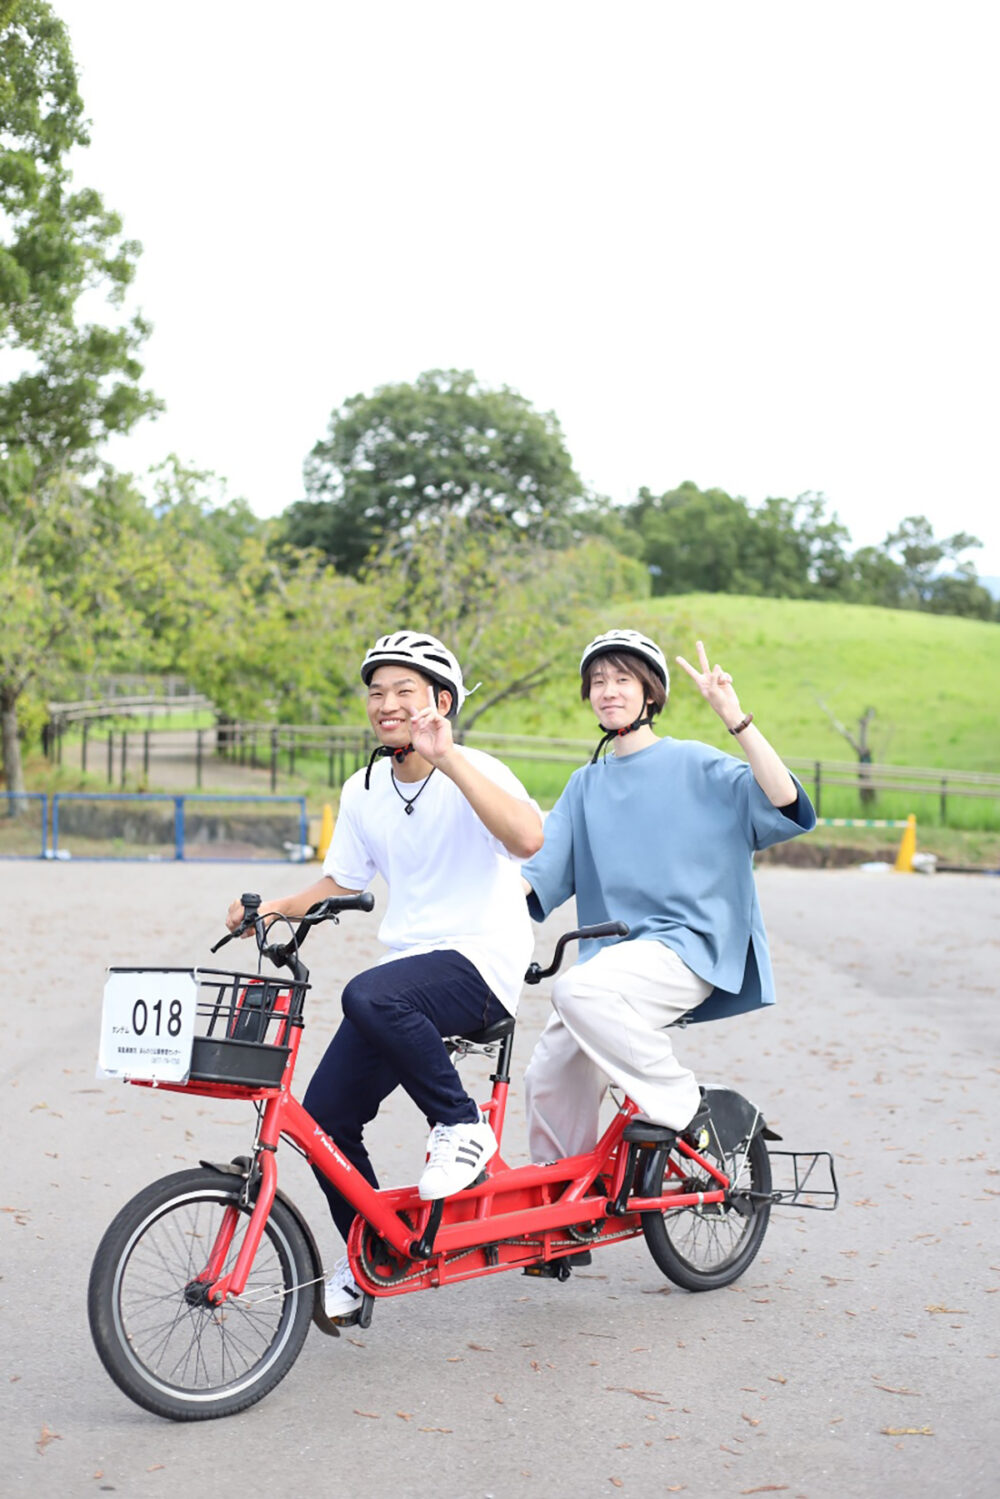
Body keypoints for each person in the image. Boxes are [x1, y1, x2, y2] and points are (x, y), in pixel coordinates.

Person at [226, 630, 542, 1322]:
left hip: (481, 962)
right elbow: (342, 878)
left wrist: (448, 757)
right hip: (408, 976)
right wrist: (273, 908)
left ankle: (461, 1125)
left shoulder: (475, 769)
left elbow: (526, 838)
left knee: (367, 992)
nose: (386, 703)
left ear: (441, 702)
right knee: (326, 1118)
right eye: (377, 692)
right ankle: (371, 1251)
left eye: (405, 690)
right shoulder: (364, 788)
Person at [521, 628, 816, 1165]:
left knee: (577, 990)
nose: (608, 691)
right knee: (548, 1071)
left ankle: (687, 1109)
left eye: (622, 679)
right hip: (613, 963)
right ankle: (561, 1193)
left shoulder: (696, 764)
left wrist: (734, 716)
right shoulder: (584, 785)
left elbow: (783, 800)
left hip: (689, 948)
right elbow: (538, 873)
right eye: (598, 681)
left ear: (651, 693)